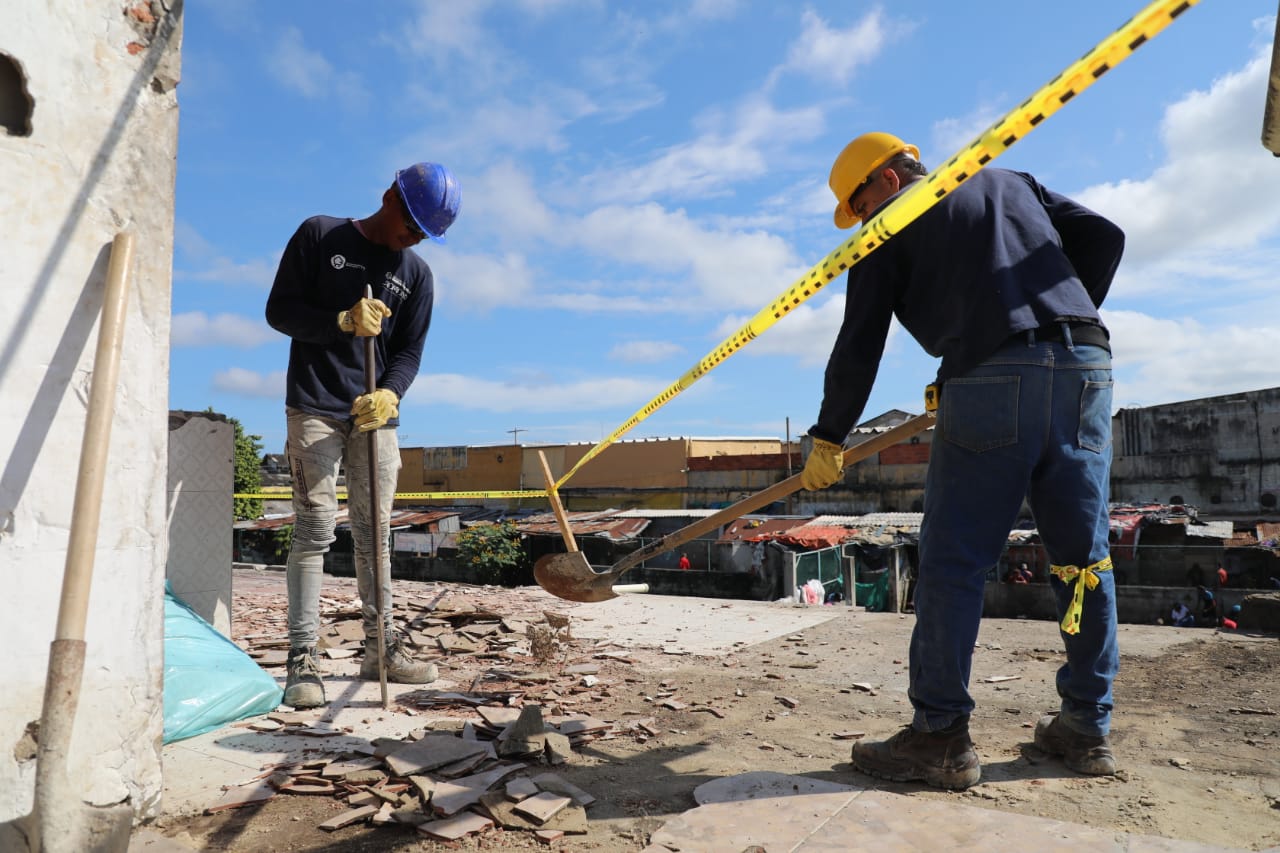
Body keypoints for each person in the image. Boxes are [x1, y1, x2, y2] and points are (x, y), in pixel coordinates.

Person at [800, 132, 1124, 790]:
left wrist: (829, 434)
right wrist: (1049, 325)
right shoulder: (1008, 180)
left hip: (988, 378)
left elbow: (860, 341)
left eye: (860, 204)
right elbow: (1105, 236)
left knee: (954, 560)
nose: (861, 220)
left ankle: (940, 734)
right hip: (1087, 367)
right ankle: (1087, 725)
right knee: (1081, 560)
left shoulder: (888, 223)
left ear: (887, 182)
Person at [265, 162, 461, 708]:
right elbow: (278, 311)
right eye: (411, 224)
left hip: (374, 415)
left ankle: (382, 649)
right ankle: (302, 658)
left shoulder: (417, 275)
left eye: (424, 233)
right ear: (389, 196)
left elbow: (409, 353)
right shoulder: (319, 234)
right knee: (314, 528)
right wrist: (340, 322)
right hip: (315, 406)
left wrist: (392, 393)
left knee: (376, 535)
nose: (413, 237)